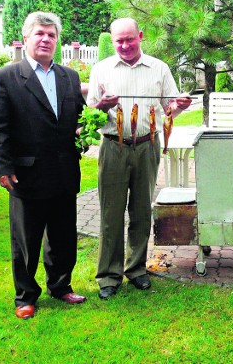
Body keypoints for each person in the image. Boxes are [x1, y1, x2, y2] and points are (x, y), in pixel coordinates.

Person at [0, 12, 88, 320]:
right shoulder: (5, 78)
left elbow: (78, 117)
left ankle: (61, 286)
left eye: (51, 35)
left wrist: (91, 123)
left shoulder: (69, 76)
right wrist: (2, 168)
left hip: (64, 171)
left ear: (57, 40)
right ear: (27, 37)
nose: (46, 39)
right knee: (26, 241)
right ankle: (25, 296)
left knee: (63, 236)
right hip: (25, 174)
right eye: (40, 34)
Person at [87, 17, 192, 300]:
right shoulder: (101, 69)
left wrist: (179, 105)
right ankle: (109, 275)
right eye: (118, 40)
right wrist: (101, 106)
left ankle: (136, 269)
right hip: (112, 147)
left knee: (142, 210)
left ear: (140, 36)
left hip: (147, 146)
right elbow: (90, 115)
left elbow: (169, 108)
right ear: (112, 41)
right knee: (110, 213)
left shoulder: (159, 68)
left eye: (129, 39)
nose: (124, 45)